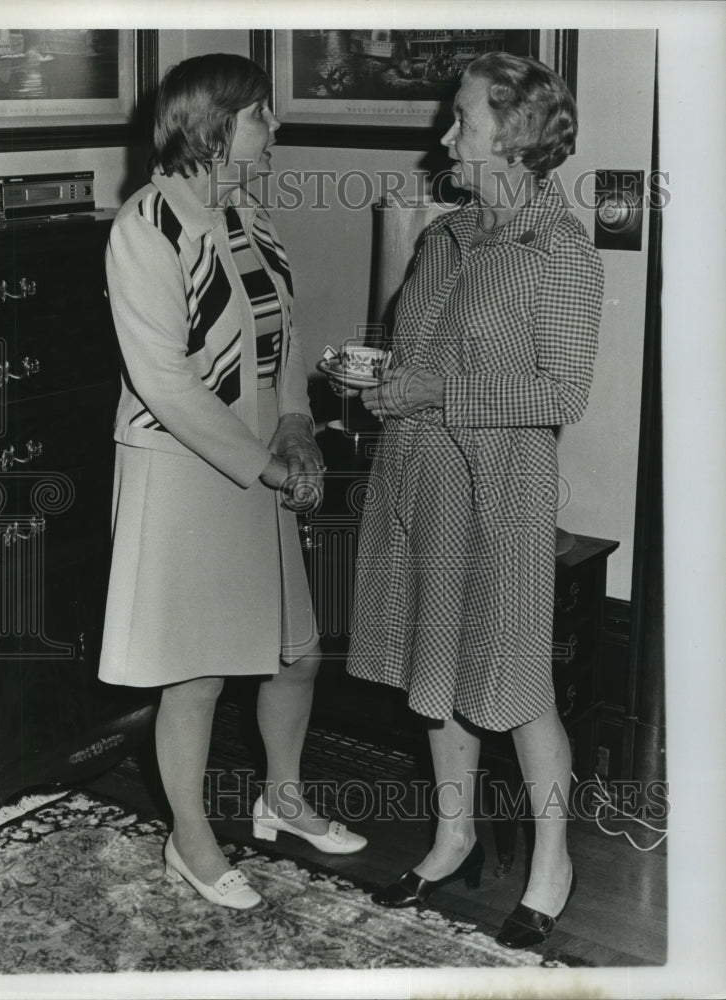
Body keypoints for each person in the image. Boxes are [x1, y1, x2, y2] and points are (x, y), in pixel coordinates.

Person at [343, 51, 604, 947]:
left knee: (516, 682)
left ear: (517, 135)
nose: (445, 134)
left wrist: (434, 394)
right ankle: (452, 837)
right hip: (420, 477)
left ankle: (550, 864)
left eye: (462, 118)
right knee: (434, 669)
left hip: (500, 492)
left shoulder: (561, 251)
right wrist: (383, 383)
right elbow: (413, 354)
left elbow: (561, 394)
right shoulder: (445, 236)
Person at [98, 53, 366, 912]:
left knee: (297, 650)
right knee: (199, 672)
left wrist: (294, 424)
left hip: (259, 458)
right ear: (214, 126)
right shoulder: (145, 226)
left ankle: (280, 800)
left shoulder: (248, 216)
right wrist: (266, 464)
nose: (273, 129)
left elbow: (282, 340)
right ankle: (191, 839)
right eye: (261, 116)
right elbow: (167, 383)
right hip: (183, 469)